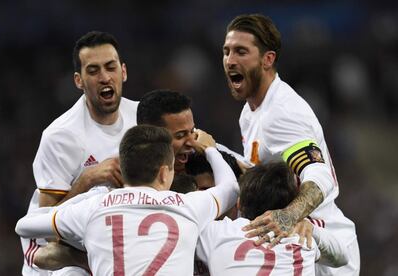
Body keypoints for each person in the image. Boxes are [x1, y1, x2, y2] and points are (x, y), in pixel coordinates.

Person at [221, 13, 360, 275]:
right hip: (294, 246)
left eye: (241, 51)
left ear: (267, 59)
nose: (230, 60)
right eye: (226, 51)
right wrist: (211, 149)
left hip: (322, 249)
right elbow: (257, 172)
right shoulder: (250, 112)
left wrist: (288, 216)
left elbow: (321, 177)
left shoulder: (283, 113)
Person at [16, 125, 239, 276]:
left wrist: (84, 201)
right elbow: (230, 188)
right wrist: (210, 150)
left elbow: (23, 226)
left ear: (123, 169)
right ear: (164, 173)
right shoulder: (189, 206)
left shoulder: (94, 207)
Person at [21, 31, 138, 275]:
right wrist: (87, 179)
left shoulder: (143, 118)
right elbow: (44, 227)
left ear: (123, 72)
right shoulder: (60, 136)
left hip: (114, 239)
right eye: (93, 71)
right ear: (79, 80)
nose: (105, 77)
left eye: (110, 67)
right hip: (57, 256)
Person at [196, 162, 349, 275]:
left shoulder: (216, 233)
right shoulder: (301, 239)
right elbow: (343, 257)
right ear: (291, 205)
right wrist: (309, 227)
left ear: (239, 203)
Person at [137, 89, 196, 174]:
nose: (192, 142)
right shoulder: (126, 178)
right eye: (180, 135)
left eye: (192, 131)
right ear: (149, 138)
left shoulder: (212, 164)